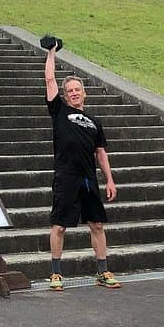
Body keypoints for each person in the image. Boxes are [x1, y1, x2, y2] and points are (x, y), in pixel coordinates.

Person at [43, 42, 121, 289]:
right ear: (65, 96)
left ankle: (103, 271)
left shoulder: (94, 121)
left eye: (77, 89)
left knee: (97, 224)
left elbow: (101, 153)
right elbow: (49, 79)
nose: (74, 93)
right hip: (66, 176)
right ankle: (56, 273)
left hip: (88, 178)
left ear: (84, 93)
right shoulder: (59, 111)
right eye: (70, 91)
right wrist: (51, 52)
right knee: (59, 226)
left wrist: (109, 180)